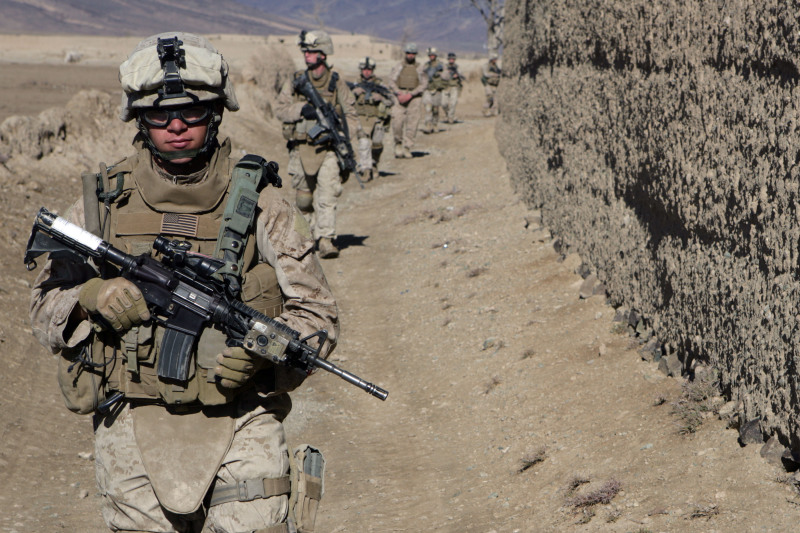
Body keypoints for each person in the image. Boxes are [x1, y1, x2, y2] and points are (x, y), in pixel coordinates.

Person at [29, 32, 339, 533]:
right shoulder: (100, 204)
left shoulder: (264, 204)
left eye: (191, 112)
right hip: (131, 412)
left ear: (215, 113)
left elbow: (319, 316)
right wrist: (90, 296)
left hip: (242, 416)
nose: (176, 126)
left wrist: (265, 352)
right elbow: (43, 311)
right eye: (160, 114)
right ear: (140, 118)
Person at [275, 29, 361, 259]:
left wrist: (342, 136)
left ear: (323, 54)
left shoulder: (336, 82)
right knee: (303, 199)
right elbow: (280, 109)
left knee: (327, 195)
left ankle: (326, 239)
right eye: (305, 51)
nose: (307, 55)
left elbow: (351, 115)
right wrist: (301, 109)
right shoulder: (296, 81)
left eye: (312, 51)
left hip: (328, 148)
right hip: (301, 147)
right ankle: (306, 238)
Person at [349, 56, 395, 182]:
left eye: (369, 69)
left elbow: (392, 100)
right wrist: (354, 93)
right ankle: (366, 169)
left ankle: (374, 163)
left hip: (377, 119)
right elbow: (344, 101)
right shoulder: (355, 83)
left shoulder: (380, 84)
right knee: (363, 143)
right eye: (364, 69)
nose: (367, 72)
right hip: (361, 118)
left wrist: (381, 98)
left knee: (377, 145)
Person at [387, 42, 428, 159]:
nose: (410, 55)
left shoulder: (420, 68)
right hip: (399, 96)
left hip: (414, 97)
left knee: (412, 124)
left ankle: (407, 147)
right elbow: (391, 81)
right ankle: (398, 144)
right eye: (409, 53)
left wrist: (411, 94)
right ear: (405, 53)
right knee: (397, 122)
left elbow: (424, 84)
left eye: (413, 53)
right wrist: (398, 93)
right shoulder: (398, 66)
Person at [421, 47, 447, 133]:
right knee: (428, 107)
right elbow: (422, 75)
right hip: (428, 89)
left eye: (433, 55)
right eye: (430, 55)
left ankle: (435, 124)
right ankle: (428, 125)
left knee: (435, 109)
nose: (431, 56)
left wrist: (439, 74)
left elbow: (446, 76)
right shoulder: (426, 65)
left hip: (437, 89)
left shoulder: (441, 65)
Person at [442, 52, 463, 124]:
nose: (451, 60)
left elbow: (460, 75)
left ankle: (451, 118)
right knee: (444, 103)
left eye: (453, 59)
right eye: (450, 59)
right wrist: (448, 74)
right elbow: (443, 76)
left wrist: (457, 75)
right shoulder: (445, 67)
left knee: (453, 103)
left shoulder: (457, 67)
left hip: (454, 87)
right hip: (446, 87)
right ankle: (447, 114)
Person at [481, 52, 502, 116]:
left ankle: (492, 111)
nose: (495, 60)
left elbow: (499, 72)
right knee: (489, 97)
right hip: (488, 84)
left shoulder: (495, 66)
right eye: (494, 59)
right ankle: (485, 110)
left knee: (495, 99)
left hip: (494, 84)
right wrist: (493, 74)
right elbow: (485, 74)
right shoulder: (486, 66)